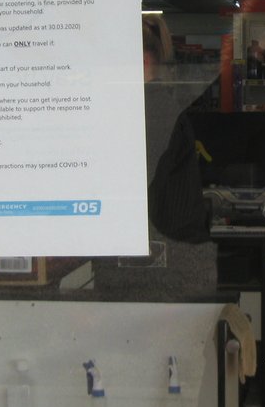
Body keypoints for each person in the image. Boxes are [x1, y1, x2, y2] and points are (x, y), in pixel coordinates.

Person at [92, 16, 217, 299]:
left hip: (154, 275)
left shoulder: (149, 115)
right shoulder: (161, 110)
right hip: (166, 267)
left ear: (143, 62)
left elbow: (133, 199)